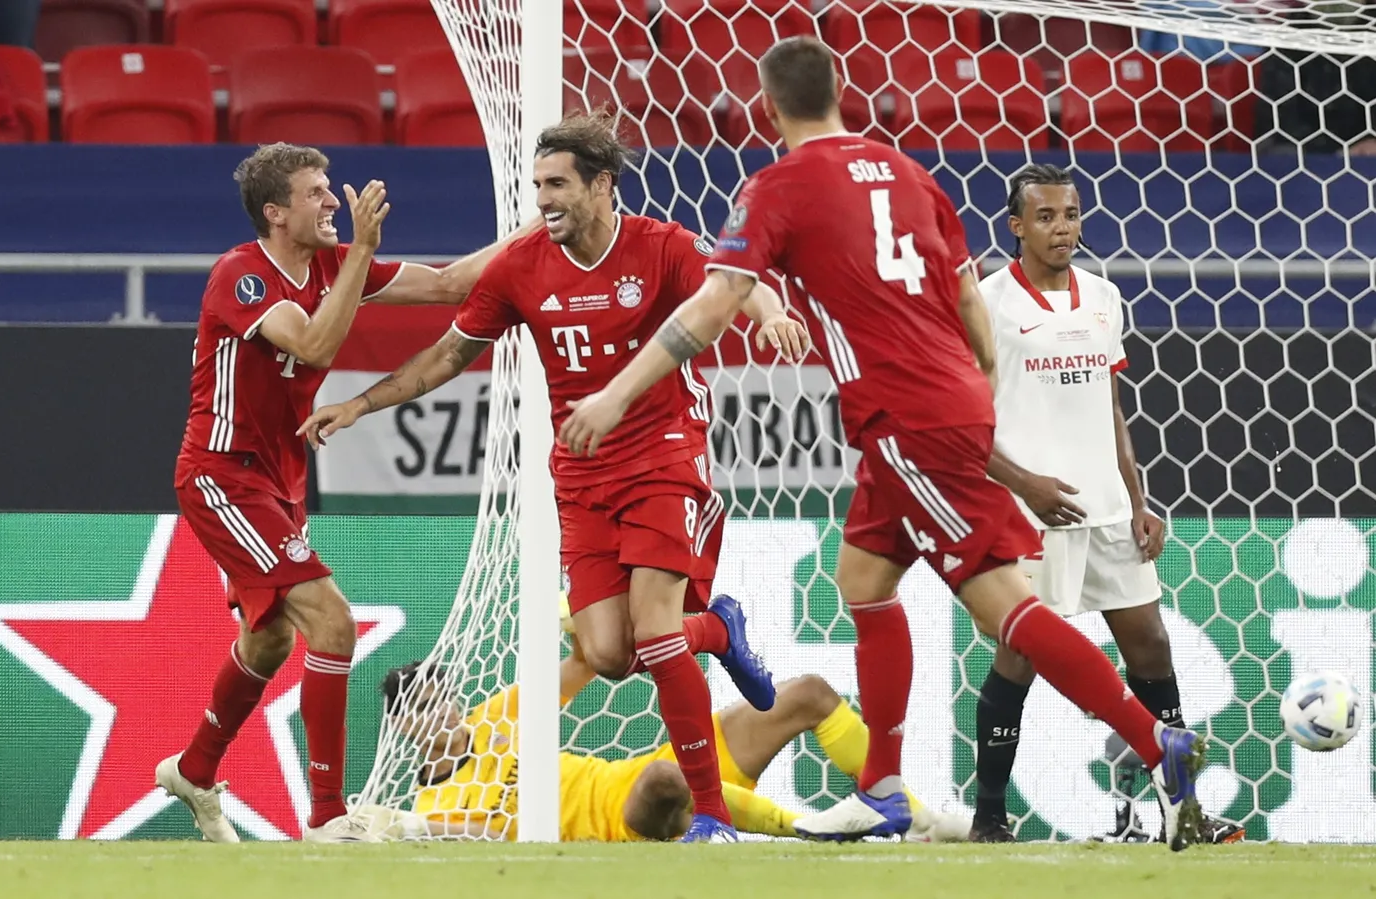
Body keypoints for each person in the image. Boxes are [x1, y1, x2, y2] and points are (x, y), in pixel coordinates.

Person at [558, 36, 1209, 851]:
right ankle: (884, 786)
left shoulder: (778, 186)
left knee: (1003, 604)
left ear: (769, 109)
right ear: (841, 96)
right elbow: (970, 295)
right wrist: (974, 379)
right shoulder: (910, 173)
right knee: (863, 578)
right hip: (927, 411)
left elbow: (718, 299)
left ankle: (1157, 744)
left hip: (908, 418)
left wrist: (617, 392)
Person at [300, 111, 809, 843]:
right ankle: (718, 629)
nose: (544, 199)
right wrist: (361, 402)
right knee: (607, 653)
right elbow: (446, 354)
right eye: (537, 185)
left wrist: (772, 311)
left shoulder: (660, 246)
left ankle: (713, 816)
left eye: (559, 183)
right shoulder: (521, 265)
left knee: (658, 637)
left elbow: (734, 282)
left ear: (603, 185)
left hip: (664, 452)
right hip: (580, 471)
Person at [156, 142, 532, 843]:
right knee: (333, 623)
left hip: (277, 478)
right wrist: (361, 251)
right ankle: (329, 815)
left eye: (331, 189)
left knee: (267, 641)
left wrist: (536, 226)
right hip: (222, 473)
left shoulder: (331, 263)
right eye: (315, 192)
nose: (333, 201)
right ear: (275, 213)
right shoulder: (242, 275)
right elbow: (317, 345)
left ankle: (196, 767)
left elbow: (452, 283)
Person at [969, 163, 1244, 845]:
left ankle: (1183, 809)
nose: (1062, 228)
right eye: (1045, 216)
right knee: (1020, 659)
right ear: (1015, 225)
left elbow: (1109, 404)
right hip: (1031, 514)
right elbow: (962, 419)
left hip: (1107, 508)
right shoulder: (987, 300)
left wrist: (1138, 499)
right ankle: (989, 815)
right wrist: (1023, 482)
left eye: (1070, 214)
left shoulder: (1101, 295)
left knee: (1150, 645)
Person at [360, 635, 972, 843]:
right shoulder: (431, 810)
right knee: (667, 780)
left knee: (808, 692)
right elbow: (483, 833)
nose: (442, 710)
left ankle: (911, 815)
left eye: (443, 695)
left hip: (639, 765)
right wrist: (413, 828)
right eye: (423, 706)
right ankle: (809, 829)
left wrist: (576, 620)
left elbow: (583, 665)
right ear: (404, 729)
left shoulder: (498, 718)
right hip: (620, 819)